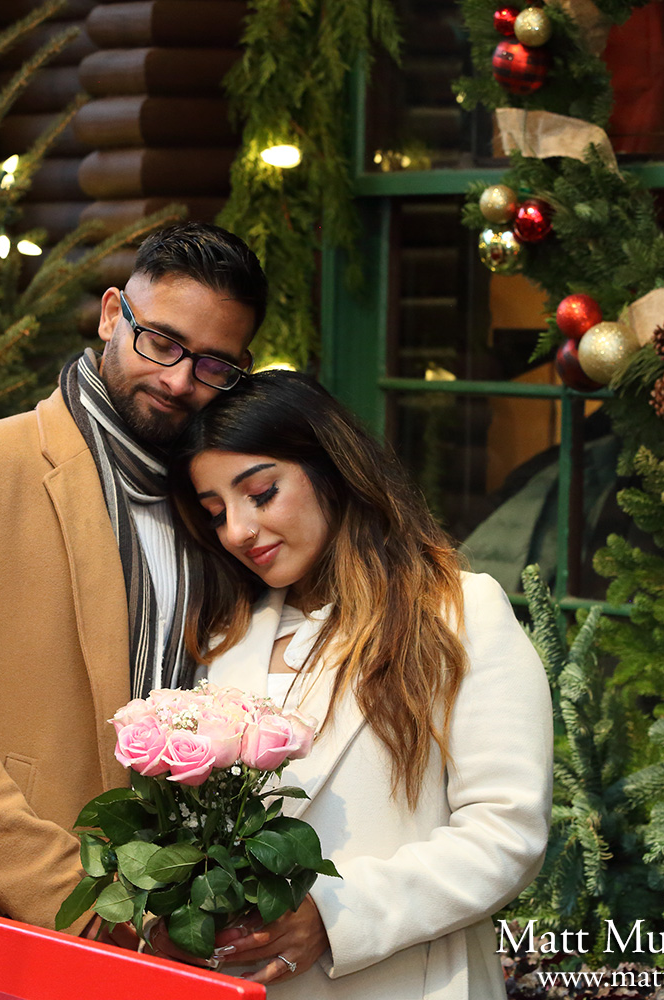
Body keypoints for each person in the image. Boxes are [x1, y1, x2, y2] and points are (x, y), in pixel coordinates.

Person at [0, 222, 267, 935]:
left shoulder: (214, 512)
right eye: (161, 343)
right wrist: (78, 899)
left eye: (211, 366)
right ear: (113, 313)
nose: (176, 380)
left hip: (153, 941)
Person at [166, 371, 553, 1000]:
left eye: (260, 493)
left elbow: (507, 832)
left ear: (332, 468)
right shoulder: (224, 637)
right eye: (216, 513)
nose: (236, 530)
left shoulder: (460, 612)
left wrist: (337, 915)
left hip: (410, 981)